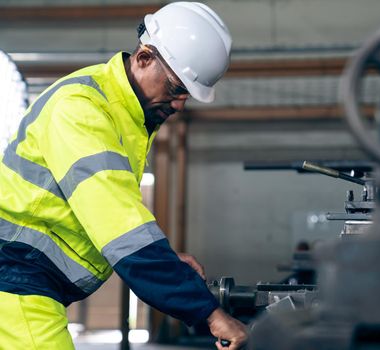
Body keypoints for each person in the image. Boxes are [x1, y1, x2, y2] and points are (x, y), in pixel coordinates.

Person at [0, 2, 247, 349]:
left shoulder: (126, 117)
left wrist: (165, 260)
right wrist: (209, 314)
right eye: (177, 88)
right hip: (14, 281)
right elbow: (120, 226)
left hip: (24, 281)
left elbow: (96, 217)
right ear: (144, 58)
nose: (180, 105)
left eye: (186, 95)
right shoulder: (83, 109)